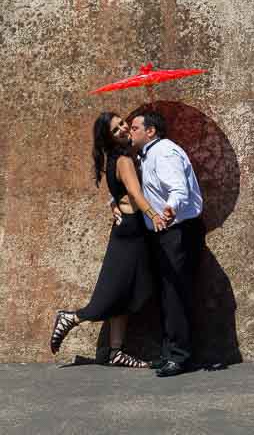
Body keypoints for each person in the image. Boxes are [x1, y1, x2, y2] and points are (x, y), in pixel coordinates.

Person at [49, 112, 168, 367]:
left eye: (123, 124)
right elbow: (134, 194)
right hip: (131, 233)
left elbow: (119, 192)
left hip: (130, 230)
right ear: (109, 138)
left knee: (127, 292)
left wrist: (113, 203)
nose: (124, 129)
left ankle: (116, 352)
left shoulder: (119, 157)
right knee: (114, 293)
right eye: (116, 130)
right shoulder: (124, 159)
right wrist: (154, 215)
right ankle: (71, 317)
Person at [129, 110, 205, 378]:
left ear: (151, 131)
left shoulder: (165, 152)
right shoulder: (148, 154)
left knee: (175, 293)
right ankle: (170, 352)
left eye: (135, 127)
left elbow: (179, 189)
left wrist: (170, 210)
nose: (130, 131)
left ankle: (180, 356)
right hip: (163, 232)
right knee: (166, 293)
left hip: (177, 231)